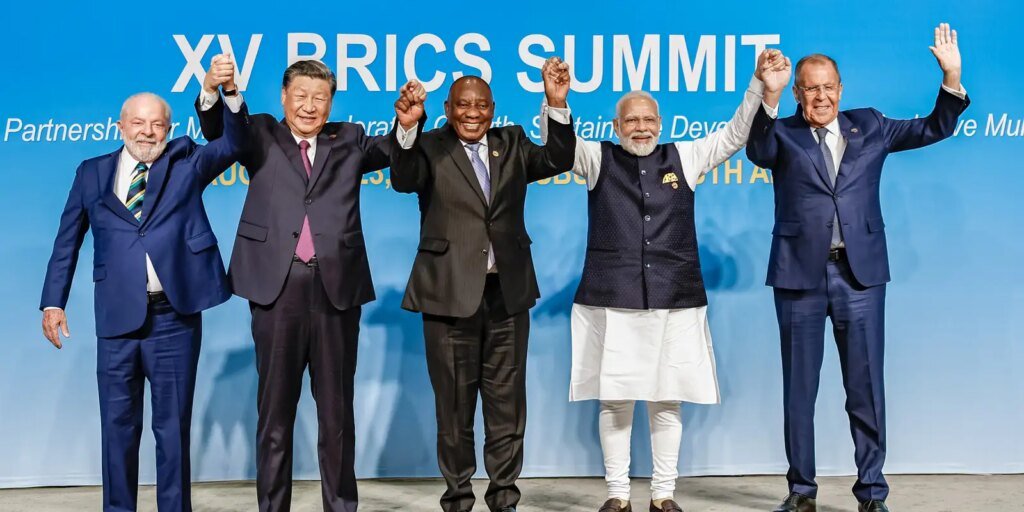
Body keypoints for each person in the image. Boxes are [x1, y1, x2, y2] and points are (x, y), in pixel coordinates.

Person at [540, 49, 790, 512]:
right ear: (616, 126)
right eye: (631, 120)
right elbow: (557, 148)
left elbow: (736, 134)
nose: (641, 127)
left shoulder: (686, 156)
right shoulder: (596, 157)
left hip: (676, 298)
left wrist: (759, 85)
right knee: (615, 401)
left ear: (660, 123)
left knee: (667, 400)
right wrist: (556, 102)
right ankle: (617, 495)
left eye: (648, 119)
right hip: (611, 299)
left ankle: (663, 494)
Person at [745, 24, 969, 512]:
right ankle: (801, 492)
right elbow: (757, 151)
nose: (821, 96)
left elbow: (934, 127)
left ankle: (871, 492)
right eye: (810, 89)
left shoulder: (869, 125)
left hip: (860, 277)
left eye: (828, 87)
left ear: (841, 90)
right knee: (799, 391)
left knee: (865, 388)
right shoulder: (781, 132)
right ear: (798, 93)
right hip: (798, 277)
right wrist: (769, 94)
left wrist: (951, 78)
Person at [195, 59, 423, 512]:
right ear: (284, 96)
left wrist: (406, 124)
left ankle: (340, 506)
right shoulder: (260, 133)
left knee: (336, 414)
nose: (309, 106)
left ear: (331, 103)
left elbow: (392, 153)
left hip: (336, 289)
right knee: (274, 414)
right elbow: (220, 129)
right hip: (276, 289)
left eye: (320, 98)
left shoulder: (350, 137)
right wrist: (218, 92)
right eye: (300, 96)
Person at [39, 55, 247, 512]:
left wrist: (223, 92)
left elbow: (235, 143)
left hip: (174, 318)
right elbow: (67, 241)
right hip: (116, 318)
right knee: (117, 428)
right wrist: (53, 302)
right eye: (138, 123)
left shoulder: (187, 161)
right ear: (120, 126)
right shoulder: (90, 172)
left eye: (157, 124)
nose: (147, 132)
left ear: (169, 129)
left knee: (172, 430)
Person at [388, 57, 575, 512]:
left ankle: (504, 499)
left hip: (506, 294)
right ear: (447, 110)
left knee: (507, 407)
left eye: (481, 105)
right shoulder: (429, 146)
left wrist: (555, 102)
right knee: (454, 410)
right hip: (448, 295)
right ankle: (457, 498)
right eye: (463, 105)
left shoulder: (512, 143)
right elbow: (403, 179)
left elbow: (558, 158)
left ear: (493, 109)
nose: (473, 113)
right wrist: (407, 127)